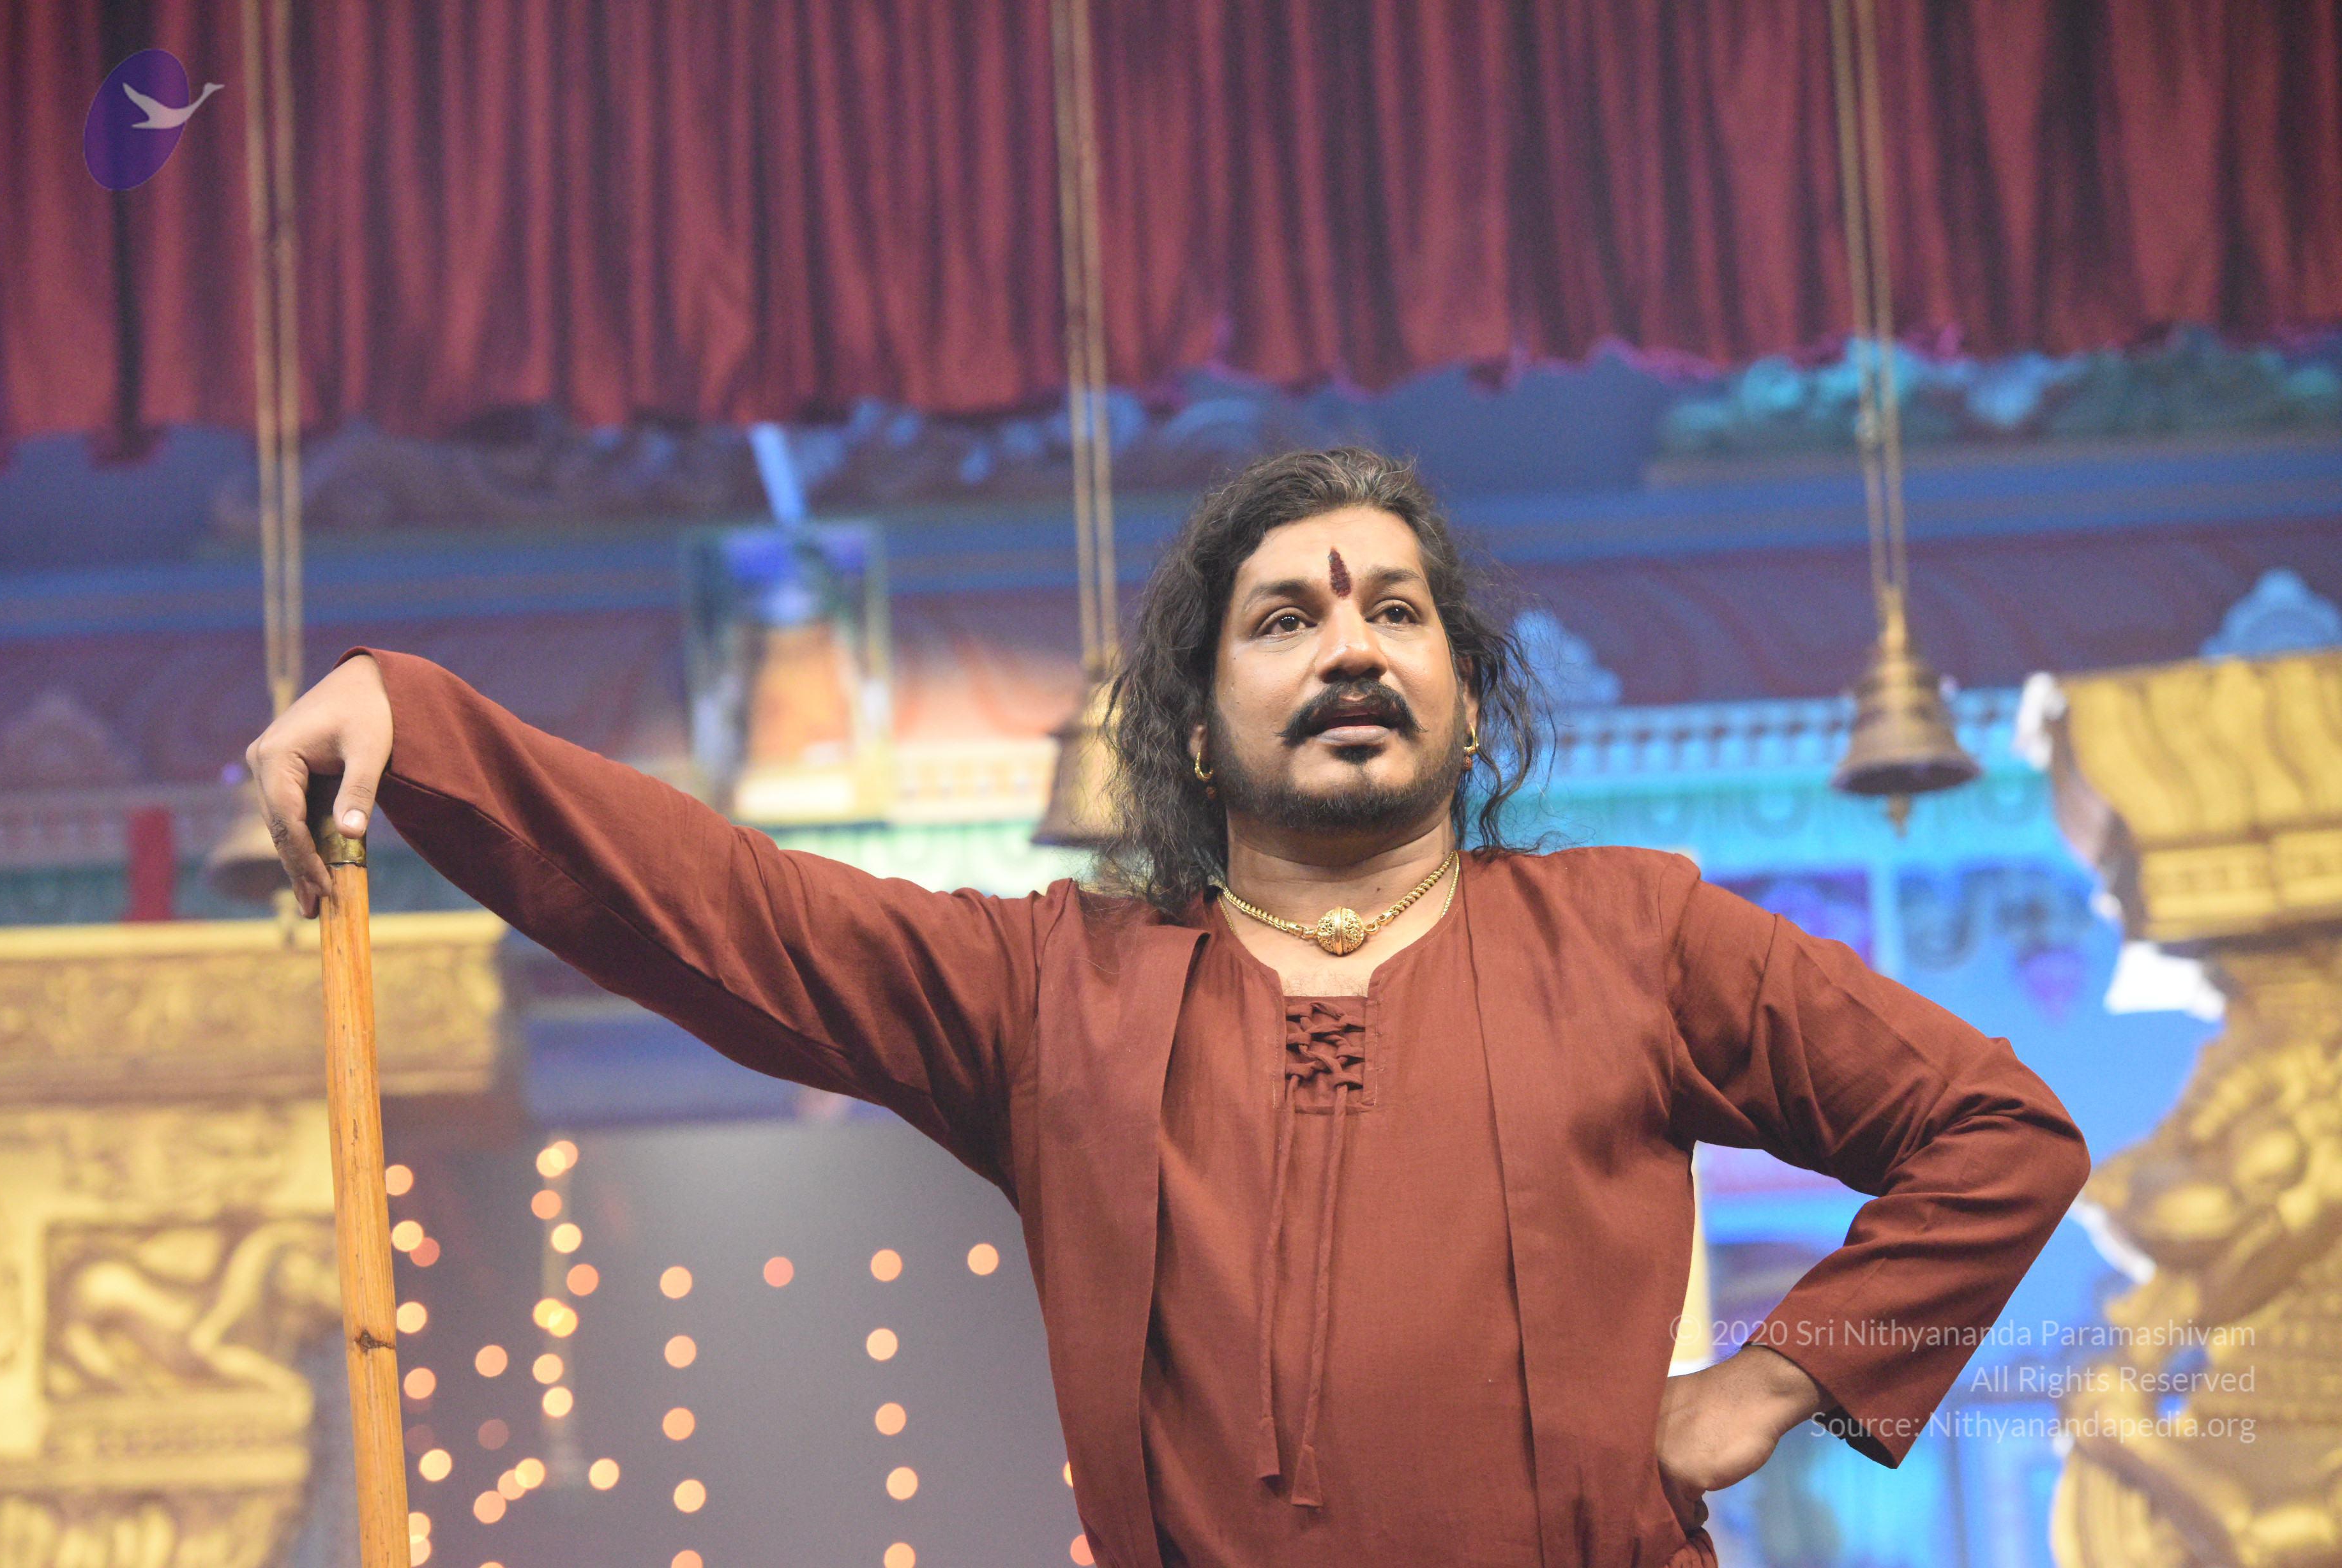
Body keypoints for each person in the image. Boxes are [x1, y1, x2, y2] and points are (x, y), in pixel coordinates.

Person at [249, 447, 2091, 1568]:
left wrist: (1777, 1378)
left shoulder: (1633, 937)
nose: (1352, 644)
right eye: (1285, 619)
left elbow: (2000, 1136)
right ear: (1200, 730)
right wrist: (427, 728)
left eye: (1397, 613)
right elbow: (734, 913)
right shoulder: (1064, 992)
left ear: (1466, 697)